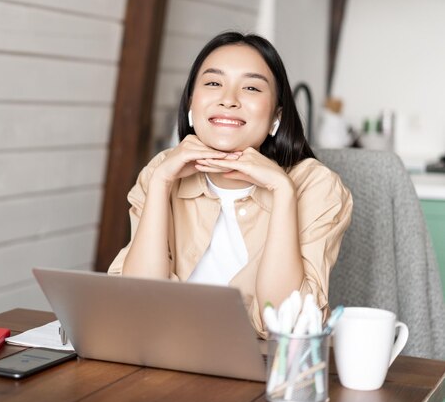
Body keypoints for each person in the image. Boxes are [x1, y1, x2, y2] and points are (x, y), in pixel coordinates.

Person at [107, 31, 353, 337]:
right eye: (213, 83)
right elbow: (138, 301)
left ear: (276, 116)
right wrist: (160, 183)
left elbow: (284, 323)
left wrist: (282, 191)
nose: (228, 99)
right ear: (191, 106)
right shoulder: (161, 171)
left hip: (265, 368)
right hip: (167, 355)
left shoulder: (316, 186)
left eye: (250, 87)